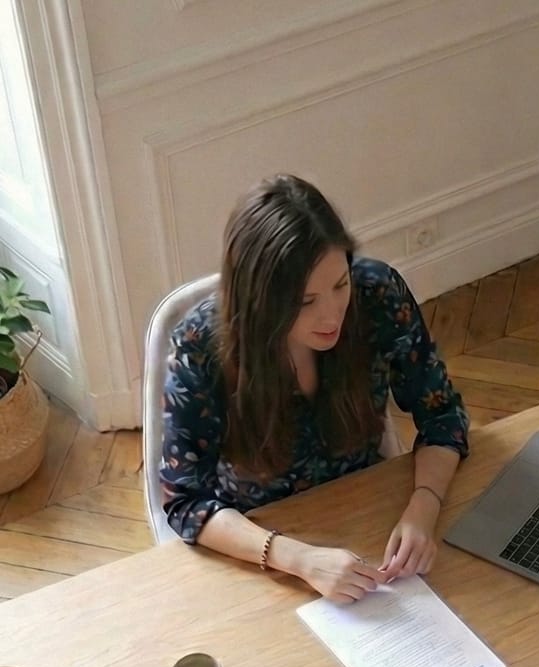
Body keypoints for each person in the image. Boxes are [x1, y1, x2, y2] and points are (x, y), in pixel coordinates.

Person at [159, 174, 469, 602]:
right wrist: (300, 560)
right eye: (305, 302)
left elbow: (442, 415)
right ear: (259, 301)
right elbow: (185, 500)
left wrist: (424, 507)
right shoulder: (200, 345)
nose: (331, 316)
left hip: (368, 517)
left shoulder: (377, 294)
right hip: (256, 546)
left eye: (340, 285)